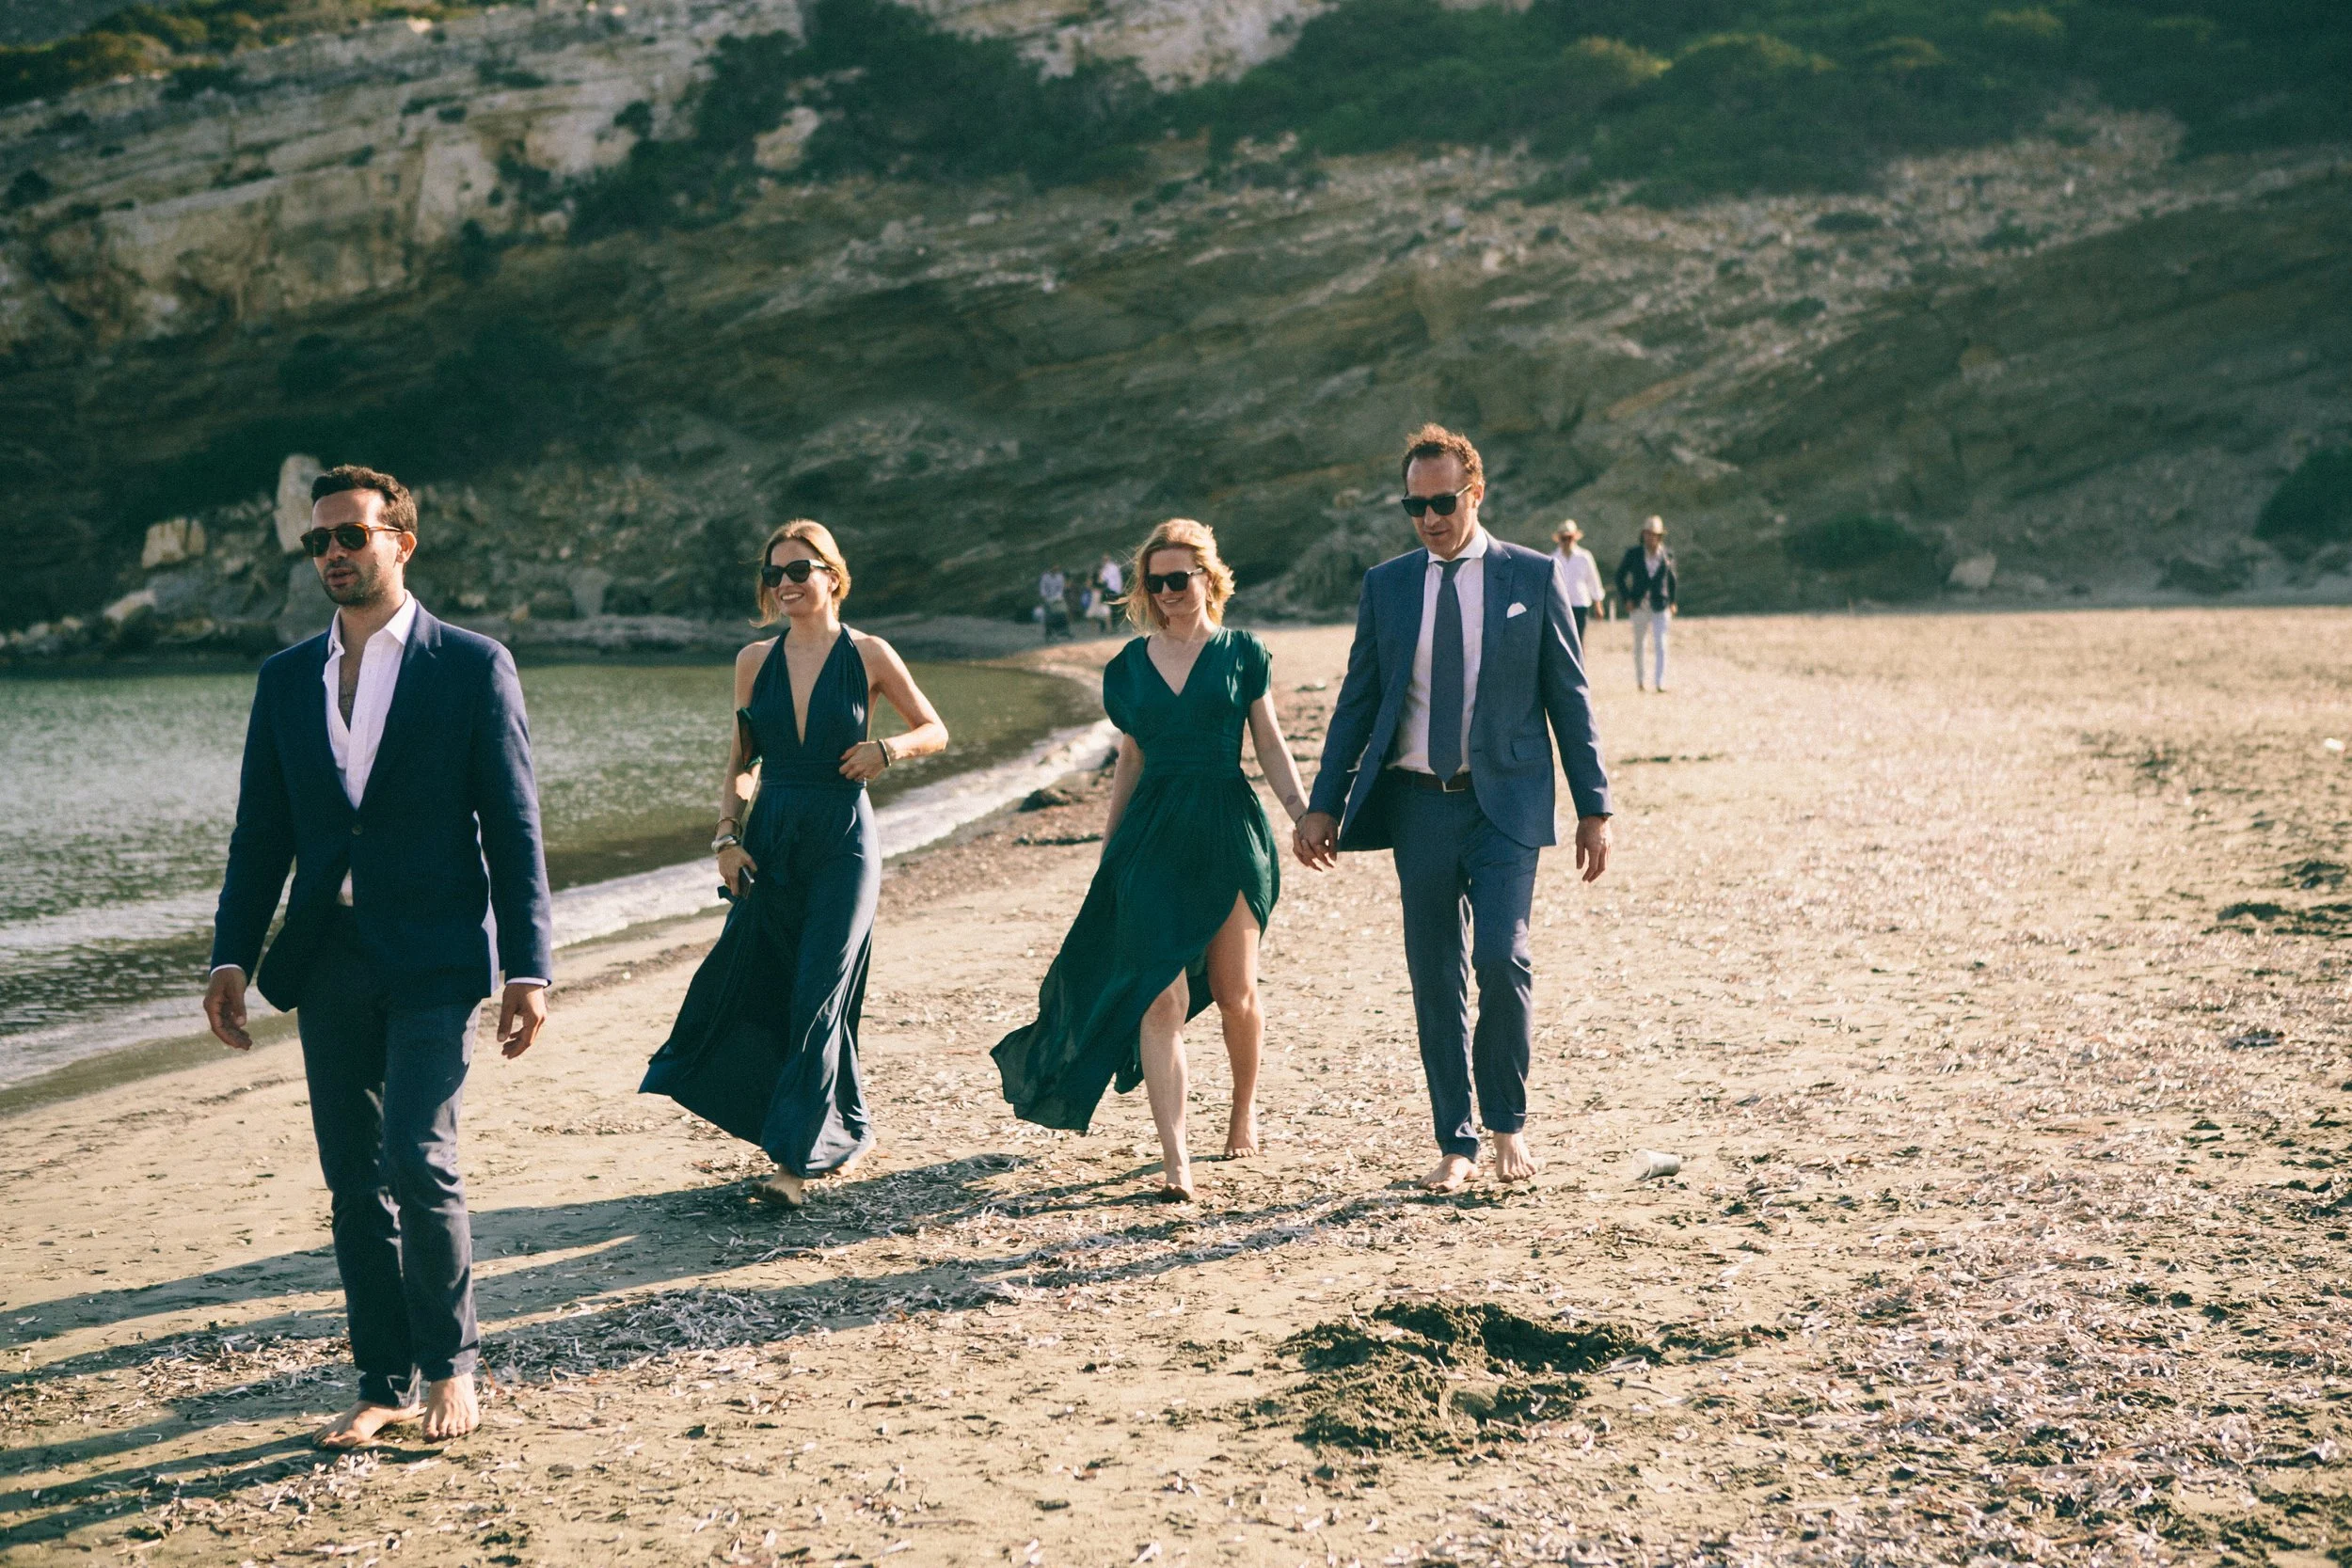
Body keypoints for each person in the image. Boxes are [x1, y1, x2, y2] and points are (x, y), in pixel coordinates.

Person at [203, 464, 553, 1449]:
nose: (333, 555)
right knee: (355, 1176)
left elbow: (514, 827)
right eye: (319, 541)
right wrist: (231, 954)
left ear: (402, 540)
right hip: (330, 957)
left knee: (418, 1153)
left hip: (437, 950)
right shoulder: (283, 679)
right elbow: (258, 834)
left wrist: (529, 964)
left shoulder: (472, 665)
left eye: (352, 535)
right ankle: (382, 1377)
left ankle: (452, 1365)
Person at [1294, 425, 1610, 1195]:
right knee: (1435, 976)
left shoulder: (1532, 578)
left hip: (1504, 802)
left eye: (1443, 501)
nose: (1430, 517)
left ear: (1475, 492)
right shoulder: (1388, 585)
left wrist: (1594, 807)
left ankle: (1508, 1122)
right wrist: (1322, 802)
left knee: (1503, 958)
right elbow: (1358, 702)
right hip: (1416, 807)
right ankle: (1456, 1139)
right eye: (1415, 504)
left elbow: (1570, 699)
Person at [994, 519, 1311, 1201]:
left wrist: (1303, 814)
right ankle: (1175, 1159)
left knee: (1235, 994)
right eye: (1155, 581)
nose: (1167, 592)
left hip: (1228, 831)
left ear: (1207, 578)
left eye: (1179, 578)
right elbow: (1130, 760)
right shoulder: (1128, 667)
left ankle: (1242, 1109)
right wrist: (1110, 855)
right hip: (1152, 841)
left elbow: (1271, 745)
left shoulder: (1241, 653)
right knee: (1159, 997)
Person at [643, 521, 948, 1209]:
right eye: (774, 572)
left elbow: (937, 728)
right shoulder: (754, 660)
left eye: (800, 569)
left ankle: (792, 1163)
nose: (785, 582)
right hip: (773, 840)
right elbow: (741, 764)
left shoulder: (868, 653)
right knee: (769, 985)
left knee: (820, 991)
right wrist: (726, 838)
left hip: (844, 838)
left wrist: (889, 751)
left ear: (832, 576)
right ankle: (843, 1127)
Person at [1614, 515, 1676, 692]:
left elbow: (1672, 580)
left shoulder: (1667, 555)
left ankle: (1659, 682)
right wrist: (1627, 599)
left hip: (1660, 604)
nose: (1651, 538)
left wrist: (1672, 600)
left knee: (1661, 644)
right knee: (1640, 644)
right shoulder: (1633, 554)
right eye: (1648, 534)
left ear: (1659, 536)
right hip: (1639, 605)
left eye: (1655, 534)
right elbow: (1620, 577)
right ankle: (1640, 680)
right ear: (1643, 535)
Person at [1550, 519, 1605, 643]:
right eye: (1563, 538)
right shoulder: (1553, 558)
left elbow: (1593, 581)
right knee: (1562, 640)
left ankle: (1579, 663)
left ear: (1574, 538)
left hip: (1580, 604)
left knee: (1578, 640)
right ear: (1559, 539)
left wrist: (1598, 605)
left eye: (1569, 538)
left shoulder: (1584, 556)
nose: (1567, 542)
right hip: (1561, 604)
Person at [1039, 565, 1071, 641]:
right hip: (1048, 599)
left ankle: (1063, 631)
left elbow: (1061, 588)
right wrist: (1045, 597)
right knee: (1049, 618)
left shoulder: (1060, 577)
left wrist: (1058, 597)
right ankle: (1049, 633)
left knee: (1062, 613)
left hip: (1057, 598)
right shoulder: (1045, 577)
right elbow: (1043, 588)